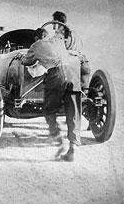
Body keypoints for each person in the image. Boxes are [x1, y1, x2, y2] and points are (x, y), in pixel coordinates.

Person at [19, 28, 81, 161]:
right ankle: (73, 146)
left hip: (56, 75)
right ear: (47, 34)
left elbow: (26, 62)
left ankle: (59, 139)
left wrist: (22, 58)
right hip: (73, 73)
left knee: (49, 110)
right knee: (73, 111)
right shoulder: (58, 40)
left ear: (37, 38)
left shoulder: (36, 45)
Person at [51, 11, 91, 94]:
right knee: (84, 87)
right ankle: (85, 95)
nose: (52, 25)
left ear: (57, 22)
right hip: (82, 62)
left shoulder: (58, 34)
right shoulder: (74, 32)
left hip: (68, 64)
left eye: (53, 22)